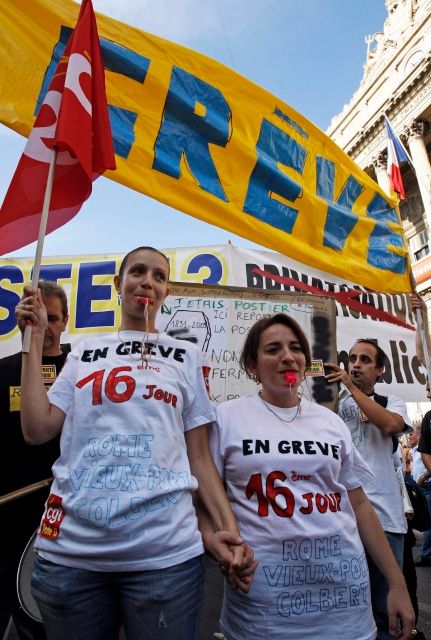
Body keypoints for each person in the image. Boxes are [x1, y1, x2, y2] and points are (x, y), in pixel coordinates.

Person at [16, 246, 247, 640]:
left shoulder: (186, 356)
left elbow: (200, 458)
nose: (148, 282)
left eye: (159, 276)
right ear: (118, 285)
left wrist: (229, 530)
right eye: (138, 271)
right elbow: (38, 429)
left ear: (165, 293)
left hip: (165, 560)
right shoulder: (84, 353)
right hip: (71, 558)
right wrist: (32, 340)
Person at [202, 313, 415, 640]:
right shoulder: (226, 419)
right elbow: (201, 498)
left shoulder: (330, 423)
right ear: (251, 365)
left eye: (296, 348)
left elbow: (359, 505)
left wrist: (396, 584)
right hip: (263, 614)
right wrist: (214, 542)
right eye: (273, 349)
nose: (287, 356)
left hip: (346, 611)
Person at [326, 340, 411, 640]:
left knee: (387, 612)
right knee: (345, 610)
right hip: (344, 522)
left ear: (380, 370)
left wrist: (350, 386)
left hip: (385, 521)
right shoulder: (333, 406)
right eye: (352, 359)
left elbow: (390, 425)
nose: (356, 364)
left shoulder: (392, 402)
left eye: (365, 360)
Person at [0, 281, 69, 640]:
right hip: (10, 513)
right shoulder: (3, 370)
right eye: (36, 317)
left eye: (52, 318)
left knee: (55, 616)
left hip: (65, 516)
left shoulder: (80, 368)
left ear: (65, 321)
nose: (44, 325)